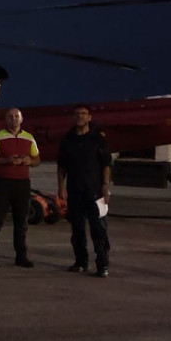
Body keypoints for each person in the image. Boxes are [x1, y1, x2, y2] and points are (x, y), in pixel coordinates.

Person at [57, 105, 111, 277]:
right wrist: (61, 186)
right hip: (75, 191)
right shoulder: (67, 140)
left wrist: (105, 185)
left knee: (99, 230)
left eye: (84, 114)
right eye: (78, 114)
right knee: (77, 229)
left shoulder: (97, 139)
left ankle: (102, 265)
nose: (81, 116)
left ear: (89, 117)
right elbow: (61, 167)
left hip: (95, 192)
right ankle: (81, 262)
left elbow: (106, 164)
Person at [0, 108, 40, 267]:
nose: (14, 119)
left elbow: (37, 158)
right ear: (6, 120)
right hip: (3, 182)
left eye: (16, 116)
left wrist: (30, 161)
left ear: (21, 120)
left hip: (22, 183)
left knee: (21, 221)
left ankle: (21, 257)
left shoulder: (29, 138)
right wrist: (5, 161)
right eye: (11, 116)